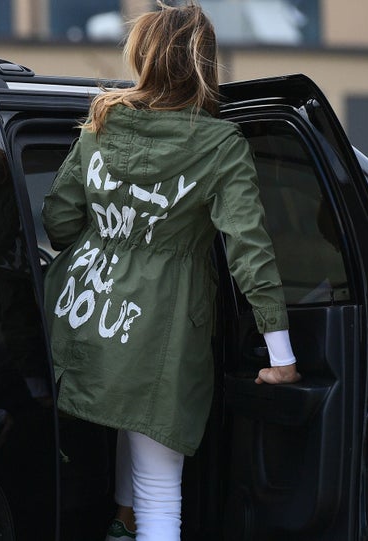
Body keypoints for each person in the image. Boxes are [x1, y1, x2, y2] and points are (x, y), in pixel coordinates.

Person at [41, 3, 300, 540]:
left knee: (121, 429)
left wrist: (107, 244)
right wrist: (282, 357)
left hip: (82, 314)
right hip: (159, 325)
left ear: (141, 55)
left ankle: (120, 520)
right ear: (204, 62)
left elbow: (60, 218)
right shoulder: (219, 145)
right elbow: (248, 249)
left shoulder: (99, 126)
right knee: (161, 488)